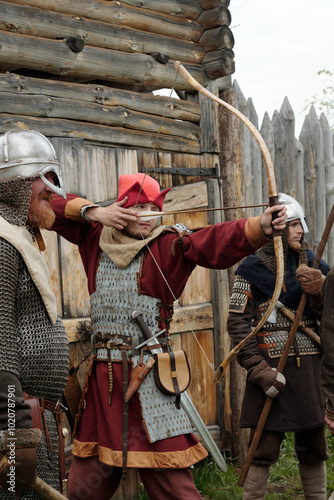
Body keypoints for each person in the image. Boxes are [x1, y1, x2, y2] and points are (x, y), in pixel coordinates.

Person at [50, 172, 287, 500]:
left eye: (153, 207)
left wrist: (259, 226)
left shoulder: (170, 244)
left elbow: (212, 241)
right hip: (103, 384)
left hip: (149, 382)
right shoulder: (93, 237)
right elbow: (50, 203)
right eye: (138, 206)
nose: (147, 214)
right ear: (120, 208)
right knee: (83, 487)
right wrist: (94, 211)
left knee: (174, 488)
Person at [227, 193, 330, 500]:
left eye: (301, 224)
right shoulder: (251, 269)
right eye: (293, 225)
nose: (300, 231)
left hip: (310, 372)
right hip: (271, 370)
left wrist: (321, 292)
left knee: (314, 448)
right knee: (263, 449)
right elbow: (238, 325)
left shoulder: (316, 265)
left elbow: (332, 320)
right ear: (278, 228)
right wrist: (259, 371)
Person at [0, 130, 69, 498]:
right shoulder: (1, 244)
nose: (52, 191)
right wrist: (16, 430)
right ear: (14, 184)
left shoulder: (19, 235)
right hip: (17, 420)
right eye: (42, 180)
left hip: (34, 417)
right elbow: (0, 345)